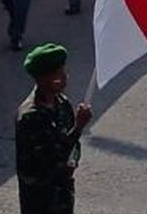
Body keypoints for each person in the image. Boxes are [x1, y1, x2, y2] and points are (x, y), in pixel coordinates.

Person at [15, 43, 92, 214]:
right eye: (58, 74)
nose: (64, 78)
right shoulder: (31, 115)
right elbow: (51, 158)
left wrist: (73, 161)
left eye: (64, 72)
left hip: (62, 192)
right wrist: (79, 127)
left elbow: (72, 145)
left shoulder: (62, 103)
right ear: (42, 79)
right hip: (40, 199)